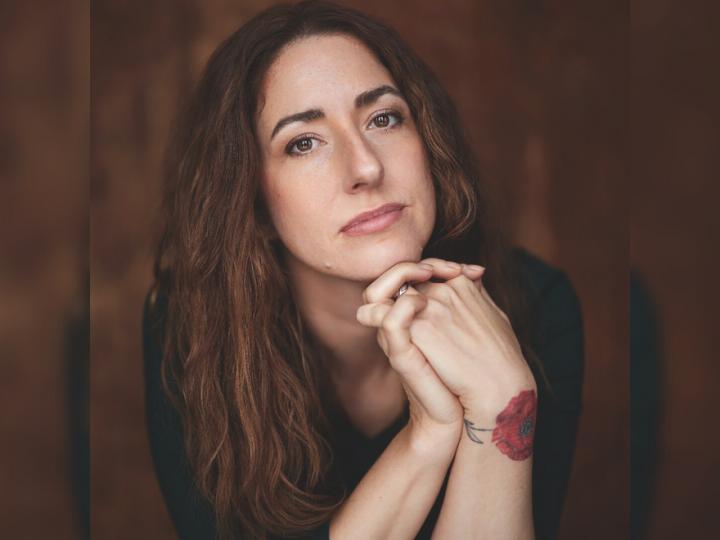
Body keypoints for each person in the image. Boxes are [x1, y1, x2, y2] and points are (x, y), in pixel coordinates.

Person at [143, 1, 585, 539]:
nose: (366, 167)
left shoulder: (536, 305)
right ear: (251, 203)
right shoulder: (190, 327)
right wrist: (429, 436)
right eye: (304, 143)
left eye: (384, 118)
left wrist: (499, 402)